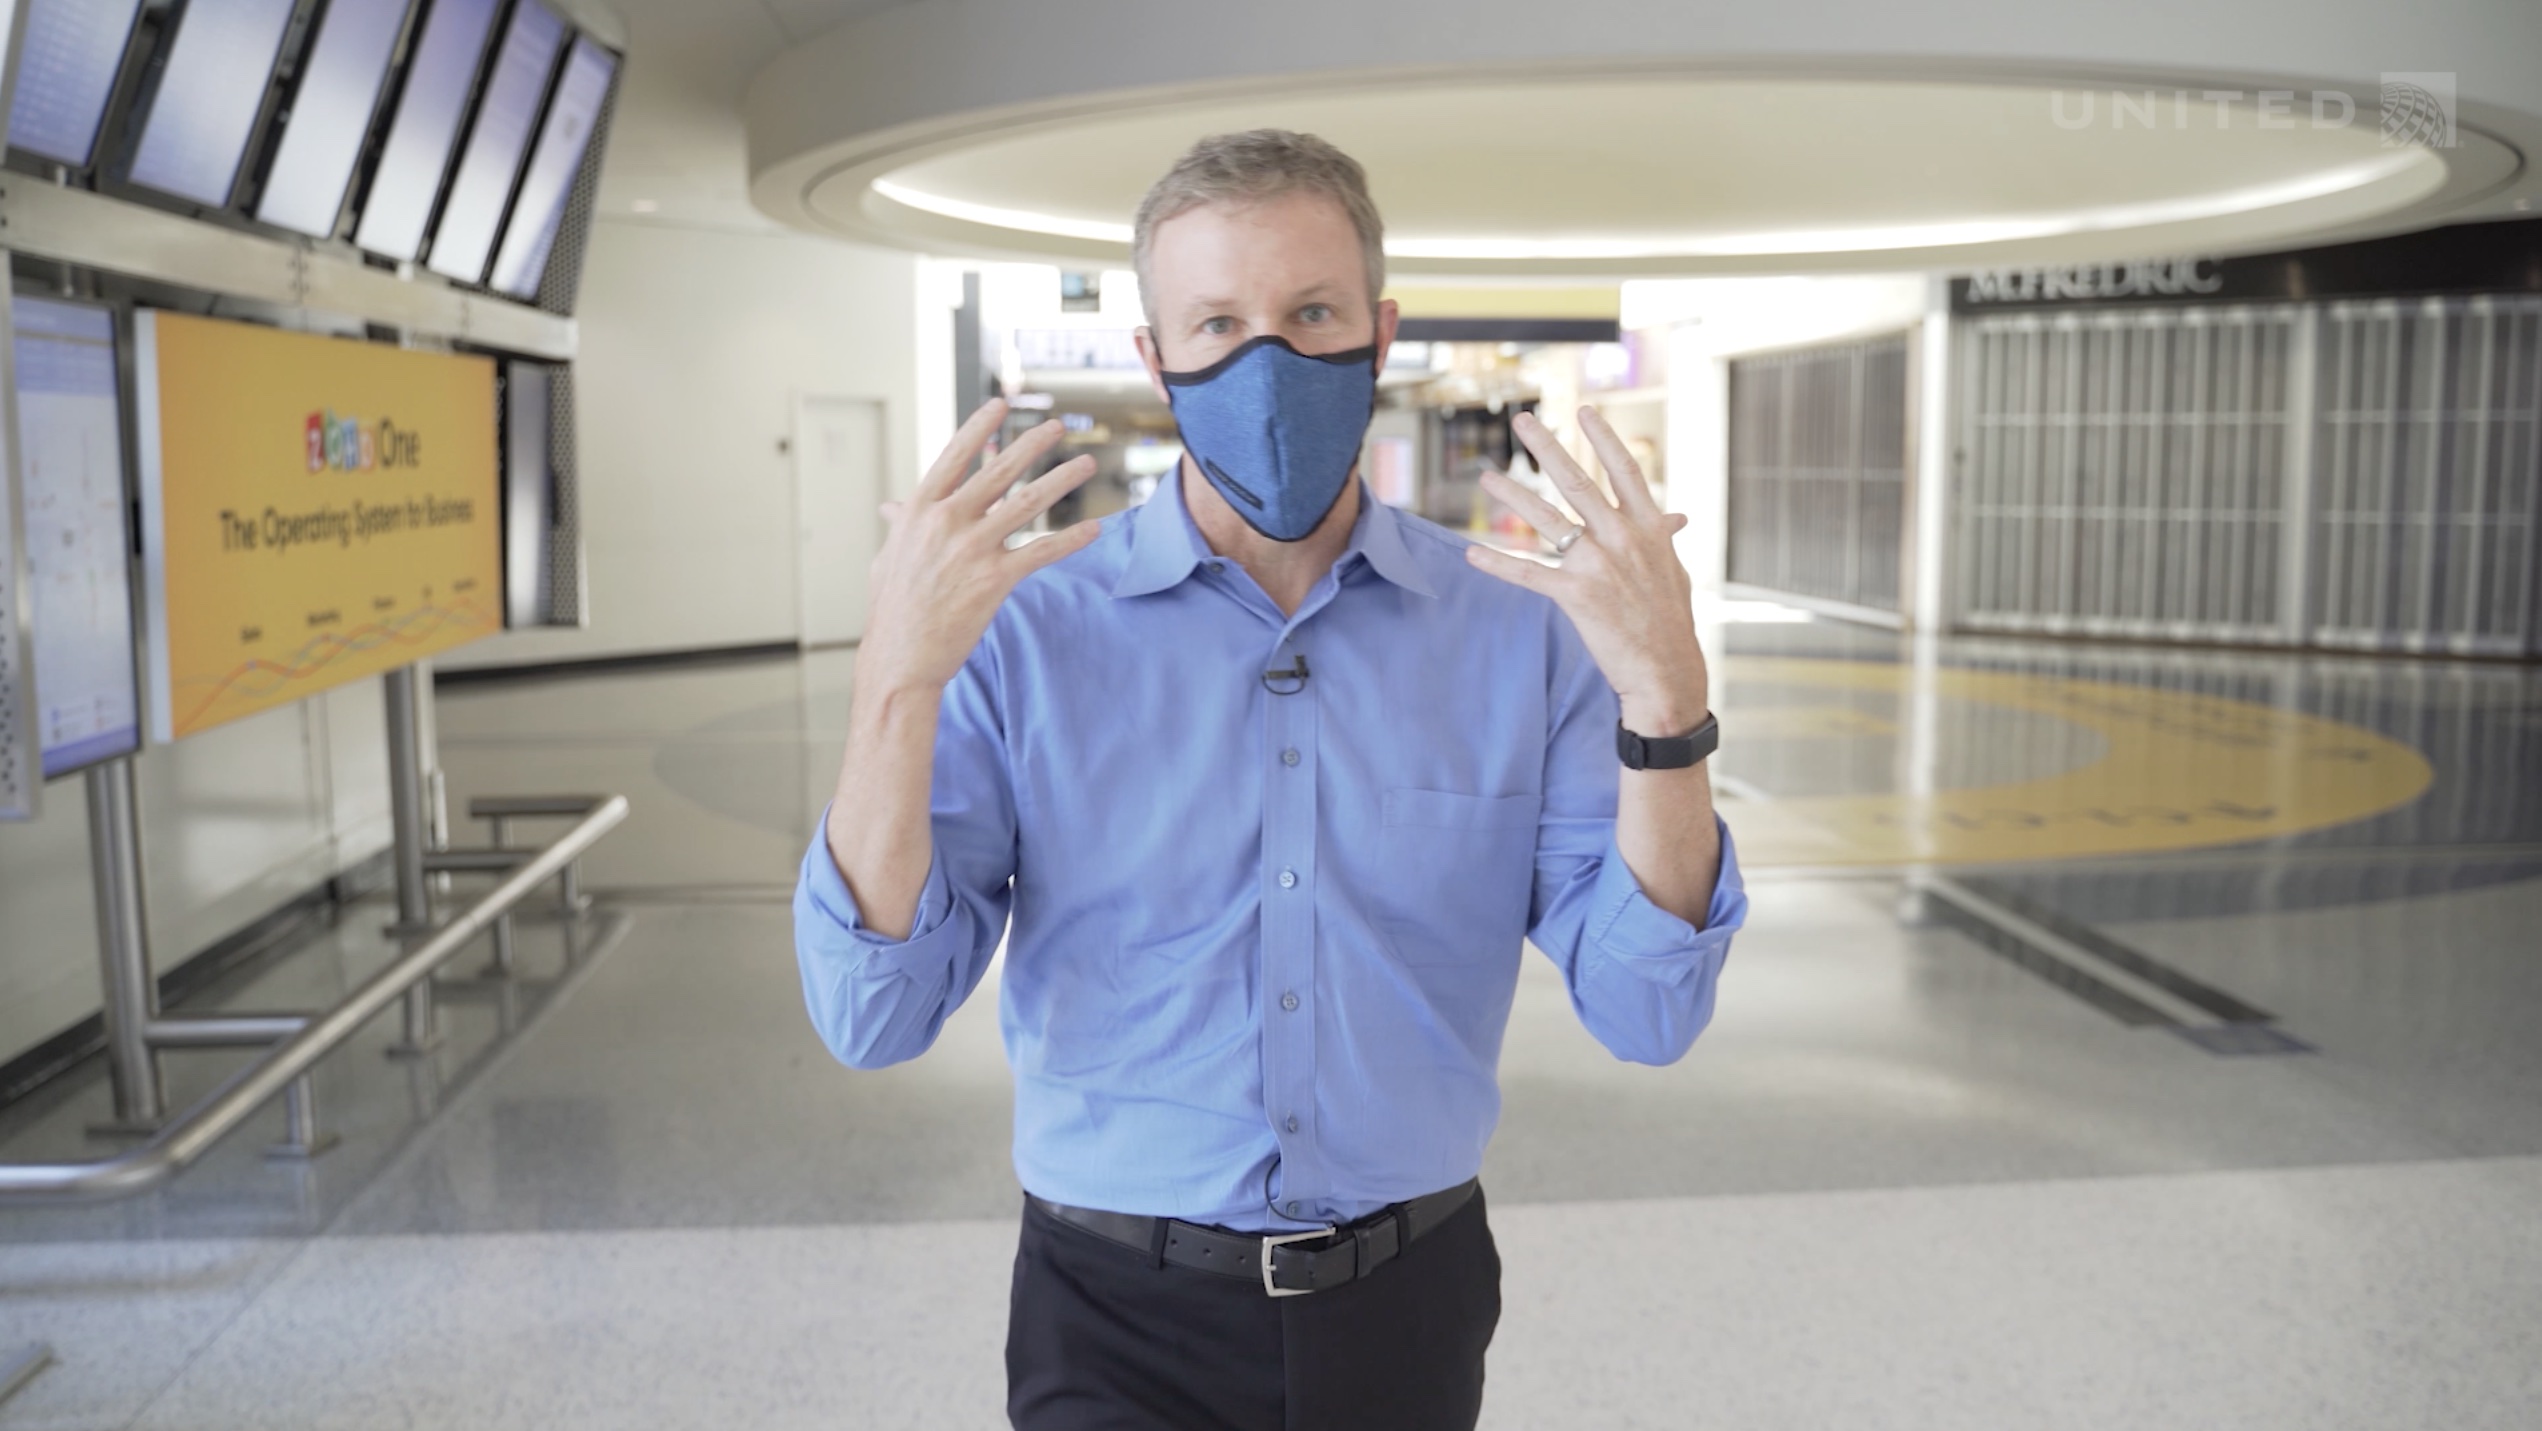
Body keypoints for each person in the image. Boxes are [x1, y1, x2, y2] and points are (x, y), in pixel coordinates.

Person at [794, 129, 1746, 1431]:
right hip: (1110, 1308)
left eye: (1310, 314)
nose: (1267, 361)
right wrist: (897, 683)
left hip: (1405, 1299)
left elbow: (1649, 1009)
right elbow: (872, 1010)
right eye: (1217, 323)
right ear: (1155, 357)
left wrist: (1666, 704)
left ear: (1378, 329)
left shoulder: (1516, 632)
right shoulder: (1023, 629)